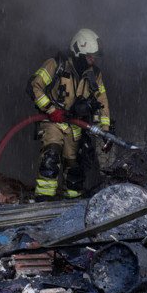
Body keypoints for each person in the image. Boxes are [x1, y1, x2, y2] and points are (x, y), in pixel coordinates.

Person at [28, 28, 111, 201]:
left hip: (76, 125)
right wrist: (51, 110)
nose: (92, 60)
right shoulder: (55, 64)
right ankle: (44, 203)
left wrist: (106, 129)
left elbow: (102, 100)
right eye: (89, 56)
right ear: (78, 52)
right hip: (53, 122)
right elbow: (34, 86)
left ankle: (71, 208)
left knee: (75, 168)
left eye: (94, 57)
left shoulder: (94, 74)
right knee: (51, 157)